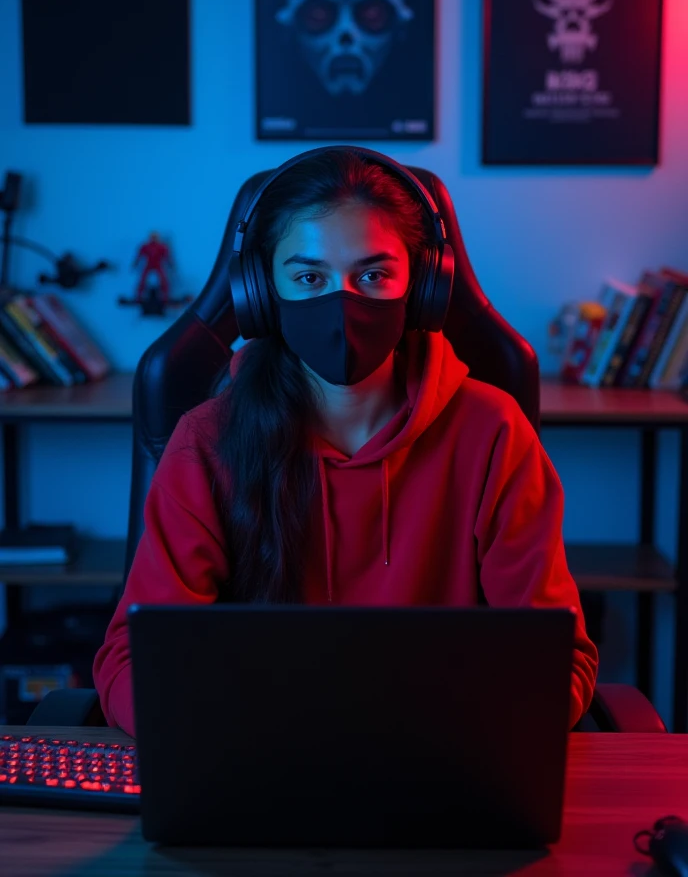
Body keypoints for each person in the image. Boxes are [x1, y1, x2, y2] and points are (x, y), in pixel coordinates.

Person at [93, 148, 598, 737]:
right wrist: (223, 730)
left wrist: (466, 732)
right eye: (309, 277)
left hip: (443, 773)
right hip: (257, 770)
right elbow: (131, 662)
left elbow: (560, 660)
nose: (342, 303)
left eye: (374, 274)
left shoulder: (493, 433)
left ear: (423, 287)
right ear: (259, 291)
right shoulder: (206, 443)